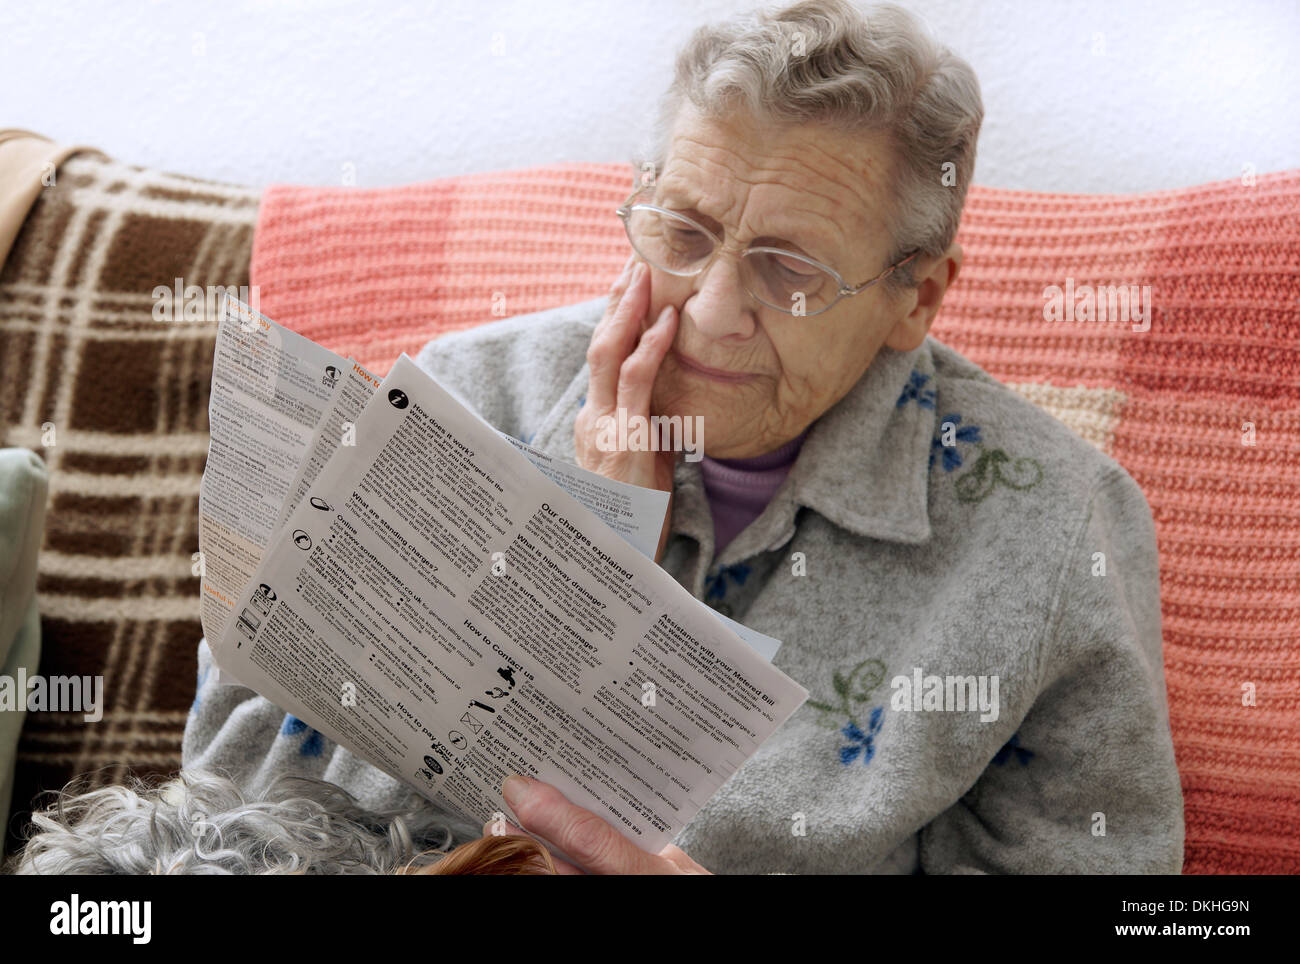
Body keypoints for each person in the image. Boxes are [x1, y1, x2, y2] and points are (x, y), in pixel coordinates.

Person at [183, 0, 1184, 874]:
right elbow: (230, 796)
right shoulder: (459, 394)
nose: (710, 310)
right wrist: (575, 558)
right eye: (684, 231)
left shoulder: (1052, 527)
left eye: (787, 269)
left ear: (914, 296)